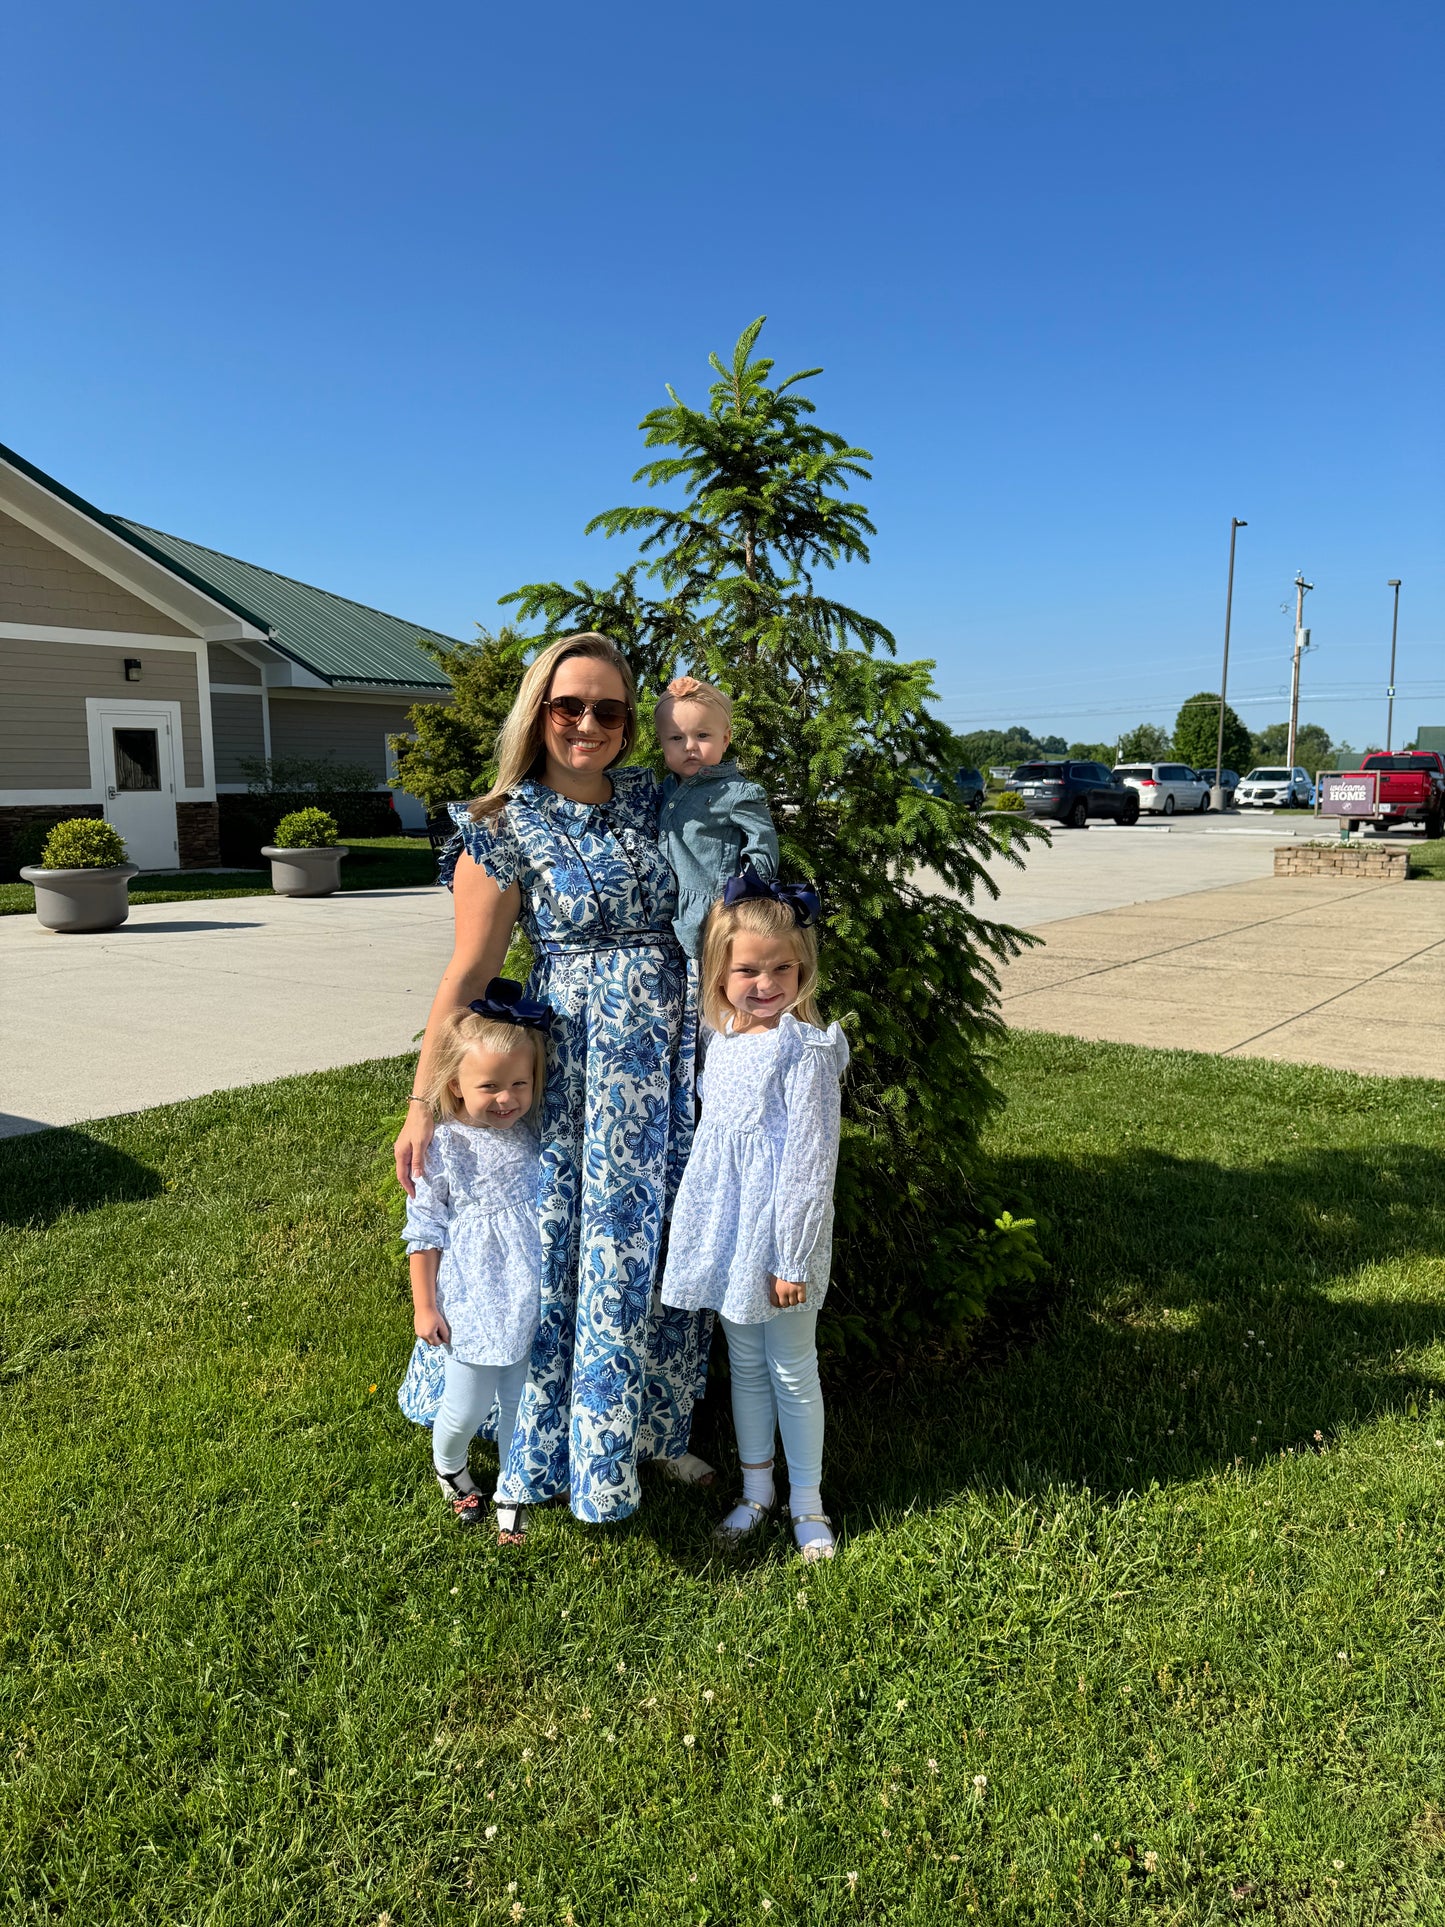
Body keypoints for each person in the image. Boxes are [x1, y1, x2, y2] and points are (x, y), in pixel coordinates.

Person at [393, 632, 714, 1524]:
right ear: (537, 712)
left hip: (668, 1065)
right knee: (583, 1251)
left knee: (654, 1240)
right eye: (568, 705)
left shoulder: (652, 797)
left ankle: (650, 1427)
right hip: (576, 1076)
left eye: (609, 709)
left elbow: (715, 767)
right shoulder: (502, 825)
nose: (587, 724)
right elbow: (465, 975)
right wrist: (423, 1103)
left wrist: (688, 703)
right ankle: (560, 1438)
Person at [660, 870, 849, 1562]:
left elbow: (810, 1162)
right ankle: (755, 1490)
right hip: (729, 1232)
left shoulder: (804, 1049)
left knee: (791, 1365)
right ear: (719, 971)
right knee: (743, 1362)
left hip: (779, 1238)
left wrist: (791, 1256)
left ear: (802, 970)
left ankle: (807, 1501)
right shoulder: (723, 1039)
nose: (764, 983)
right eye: (746, 969)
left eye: (780, 969)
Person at [402, 982, 548, 1543]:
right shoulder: (442, 1147)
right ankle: (450, 1467)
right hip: (472, 1297)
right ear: (455, 1087)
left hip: (528, 1291)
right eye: (489, 1086)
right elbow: (425, 1232)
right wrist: (425, 1306)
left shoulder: (533, 1133)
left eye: (519, 1083)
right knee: (465, 1406)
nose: (506, 1098)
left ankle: (513, 1487)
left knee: (519, 1400)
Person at [656, 676, 779, 960]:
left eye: (702, 736)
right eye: (676, 738)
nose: (689, 746)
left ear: (725, 739)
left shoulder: (736, 792)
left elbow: (763, 844)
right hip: (665, 915)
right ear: (662, 743)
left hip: (711, 914)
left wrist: (743, 891)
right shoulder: (666, 789)